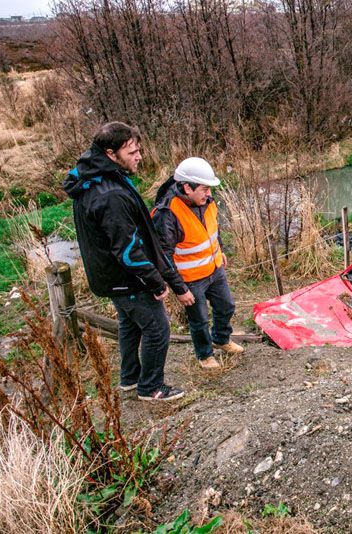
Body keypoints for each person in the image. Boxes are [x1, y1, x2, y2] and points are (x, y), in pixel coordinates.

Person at [63, 122, 190, 401]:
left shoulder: (96, 175)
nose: (139, 156)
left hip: (111, 277)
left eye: (139, 150)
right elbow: (128, 251)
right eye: (132, 151)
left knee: (130, 325)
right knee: (158, 329)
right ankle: (151, 387)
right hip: (126, 278)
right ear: (111, 153)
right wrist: (157, 282)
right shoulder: (109, 194)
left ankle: (130, 379)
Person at [152, 157, 244, 369]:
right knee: (199, 320)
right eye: (204, 189)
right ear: (187, 187)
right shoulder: (167, 214)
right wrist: (180, 289)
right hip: (191, 279)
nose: (209, 193)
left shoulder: (206, 201)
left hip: (215, 268)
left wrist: (219, 250)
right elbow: (163, 257)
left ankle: (221, 339)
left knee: (226, 306)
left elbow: (213, 228)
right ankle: (204, 355)